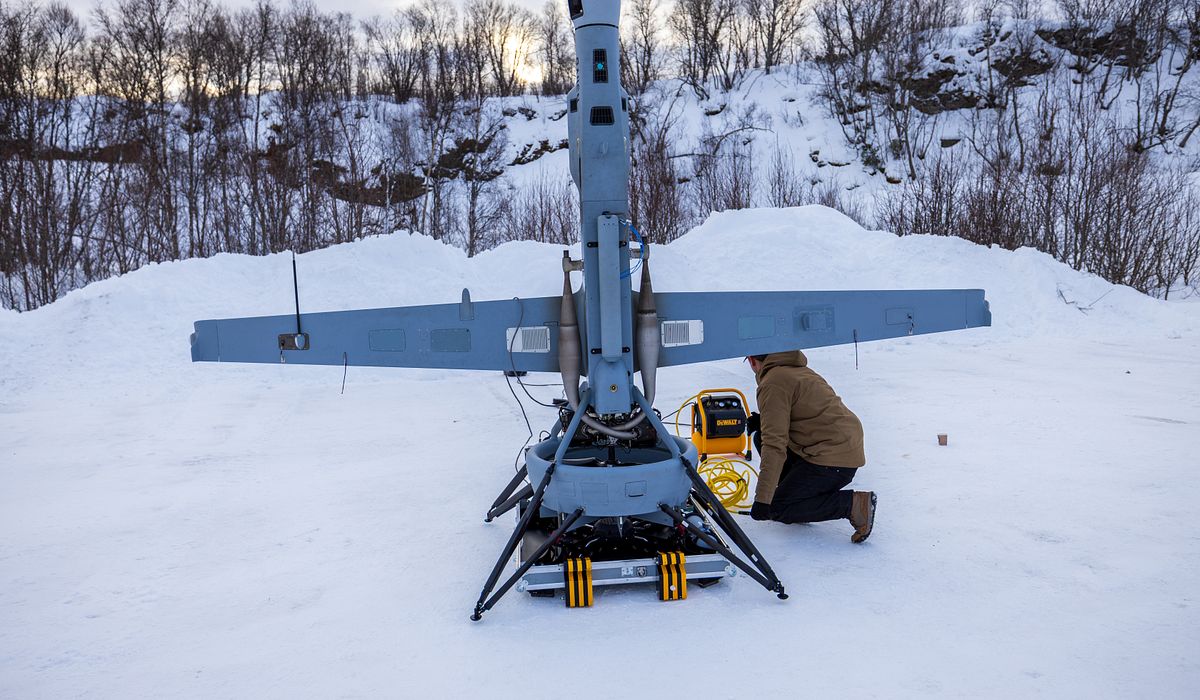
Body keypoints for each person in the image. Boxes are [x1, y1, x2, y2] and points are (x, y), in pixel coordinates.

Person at [745, 351, 877, 543]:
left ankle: (853, 505)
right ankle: (796, 497)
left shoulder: (773, 382)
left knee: (778, 508)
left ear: (751, 361)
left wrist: (763, 500)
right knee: (761, 436)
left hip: (834, 457)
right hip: (838, 445)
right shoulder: (796, 370)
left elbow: (775, 445)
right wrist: (764, 421)